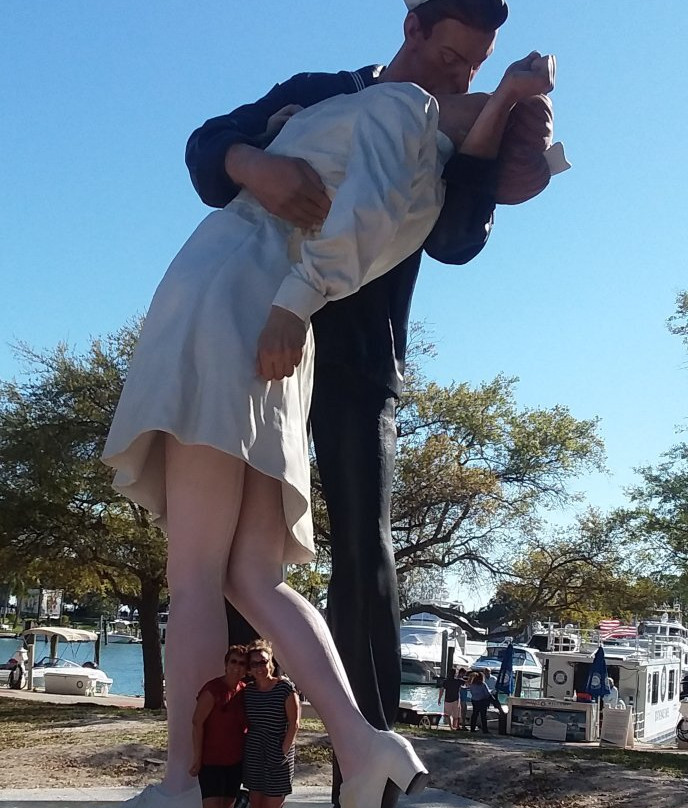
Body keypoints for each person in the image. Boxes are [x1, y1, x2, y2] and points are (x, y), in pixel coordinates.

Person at [104, 33, 558, 808]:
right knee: (252, 576)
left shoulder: (401, 110)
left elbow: (374, 216)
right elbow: (219, 146)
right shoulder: (418, 170)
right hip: (284, 332)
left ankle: (184, 783)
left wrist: (292, 279)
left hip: (236, 300)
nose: (464, 84)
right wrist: (268, 151)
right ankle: (364, 743)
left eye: (479, 88)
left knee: (197, 573)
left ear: (478, 123)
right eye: (464, 68)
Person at [184, 10, 510, 799]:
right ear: (413, 25)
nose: (461, 73)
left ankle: (367, 781)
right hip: (256, 345)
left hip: (360, 366)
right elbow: (206, 150)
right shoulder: (324, 90)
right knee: (231, 556)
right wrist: (251, 162)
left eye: (475, 65)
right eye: (451, 53)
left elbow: (456, 240)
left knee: (365, 552)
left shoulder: (457, 128)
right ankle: (227, 776)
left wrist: (495, 130)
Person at [190, 646, 249, 808]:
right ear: (226, 664)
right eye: (233, 661)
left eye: (242, 663)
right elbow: (197, 723)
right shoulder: (212, 690)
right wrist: (197, 758)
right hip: (211, 762)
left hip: (235, 762)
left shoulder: (246, 692)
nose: (237, 666)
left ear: (246, 669)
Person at [242, 641, 300, 808]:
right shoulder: (248, 691)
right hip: (254, 754)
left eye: (263, 662)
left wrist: (282, 753)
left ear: (270, 663)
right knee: (256, 803)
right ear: (249, 668)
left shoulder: (284, 688)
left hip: (278, 753)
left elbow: (294, 724)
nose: (259, 667)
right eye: (254, 664)